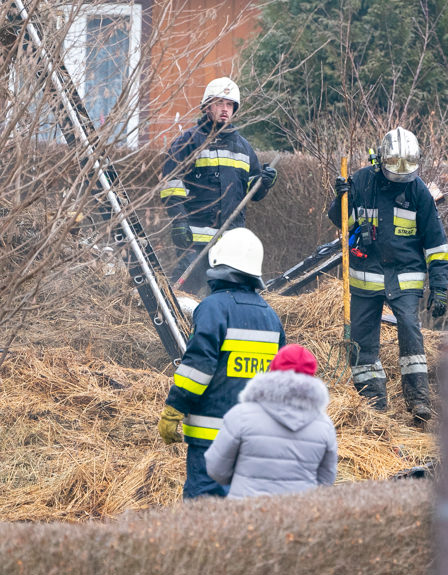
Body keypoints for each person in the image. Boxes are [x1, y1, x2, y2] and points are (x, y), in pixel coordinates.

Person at [327, 127, 448, 422]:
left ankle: (418, 400)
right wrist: (340, 199)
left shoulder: (418, 191)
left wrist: (440, 286)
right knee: (362, 340)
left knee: (410, 328)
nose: (400, 179)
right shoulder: (361, 181)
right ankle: (374, 403)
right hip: (365, 276)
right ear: (380, 160)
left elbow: (437, 245)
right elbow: (342, 222)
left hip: (404, 277)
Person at [157, 227, 286, 498]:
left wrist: (174, 408)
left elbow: (197, 368)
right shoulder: (271, 317)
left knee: (204, 520)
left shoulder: (213, 308)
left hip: (211, 442)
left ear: (218, 264)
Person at [159, 77, 277, 295]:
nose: (225, 109)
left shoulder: (244, 148)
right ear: (207, 107)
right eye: (220, 103)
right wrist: (179, 223)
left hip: (230, 245)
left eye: (230, 104)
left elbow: (254, 193)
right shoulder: (188, 142)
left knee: (224, 300)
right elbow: (170, 187)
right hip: (194, 242)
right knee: (183, 298)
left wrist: (265, 182)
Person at [204, 344, 338, 498]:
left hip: (244, 513)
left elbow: (216, 469)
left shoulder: (241, 415)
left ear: (273, 370)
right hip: (300, 514)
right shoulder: (324, 425)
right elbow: (326, 480)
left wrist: (241, 479)